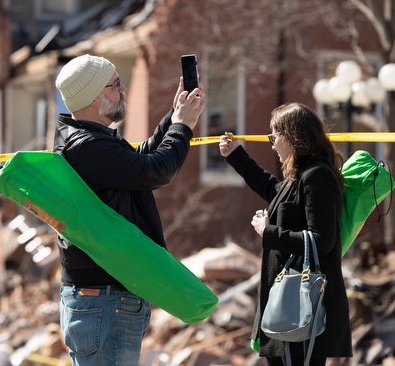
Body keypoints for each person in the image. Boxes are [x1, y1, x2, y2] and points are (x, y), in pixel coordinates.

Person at [53, 54, 206, 366]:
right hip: (105, 301)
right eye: (116, 85)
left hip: (105, 301)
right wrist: (183, 126)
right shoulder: (87, 146)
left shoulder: (89, 140)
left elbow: (138, 162)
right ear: (95, 98)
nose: (123, 90)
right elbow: (154, 171)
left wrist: (174, 116)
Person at [219, 103, 352, 366]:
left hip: (303, 308)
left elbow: (321, 241)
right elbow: (273, 190)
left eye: (274, 136)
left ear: (293, 138)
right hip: (289, 308)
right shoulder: (302, 176)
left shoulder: (317, 176)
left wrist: (268, 232)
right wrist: (236, 155)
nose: (271, 144)